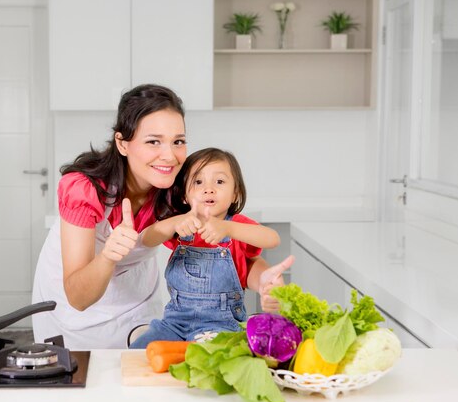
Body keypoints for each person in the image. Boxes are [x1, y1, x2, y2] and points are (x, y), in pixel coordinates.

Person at [31, 84, 189, 349]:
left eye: (178, 141)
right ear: (122, 143)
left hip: (136, 306)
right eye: (153, 141)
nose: (170, 155)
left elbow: (224, 234)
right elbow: (78, 297)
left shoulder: (177, 188)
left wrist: (260, 276)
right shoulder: (84, 188)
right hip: (74, 315)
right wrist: (108, 256)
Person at [129, 147, 289, 349]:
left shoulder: (236, 226)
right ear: (185, 196)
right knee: (139, 351)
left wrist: (228, 228)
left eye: (219, 182)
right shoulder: (182, 226)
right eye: (198, 182)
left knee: (204, 359)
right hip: (174, 324)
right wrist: (176, 222)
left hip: (220, 328)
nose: (209, 188)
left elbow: (272, 239)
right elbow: (147, 239)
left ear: (235, 194)